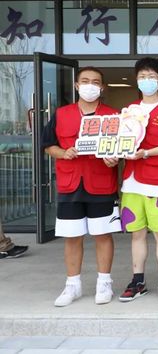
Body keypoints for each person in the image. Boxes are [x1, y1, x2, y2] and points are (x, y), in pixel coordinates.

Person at [43, 66, 121, 307]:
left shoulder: (113, 115)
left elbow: (123, 147)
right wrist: (63, 152)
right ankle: (72, 285)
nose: (90, 86)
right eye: (85, 81)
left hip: (102, 183)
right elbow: (48, 145)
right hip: (70, 184)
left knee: (102, 234)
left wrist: (115, 157)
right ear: (77, 86)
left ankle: (104, 283)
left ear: (102, 87)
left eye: (95, 82)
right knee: (72, 236)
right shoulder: (61, 114)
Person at [119, 57, 158, 304]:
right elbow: (118, 140)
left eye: (151, 77)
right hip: (131, 181)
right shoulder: (128, 111)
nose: (147, 81)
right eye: (142, 77)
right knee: (136, 233)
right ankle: (138, 281)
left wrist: (146, 152)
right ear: (136, 80)